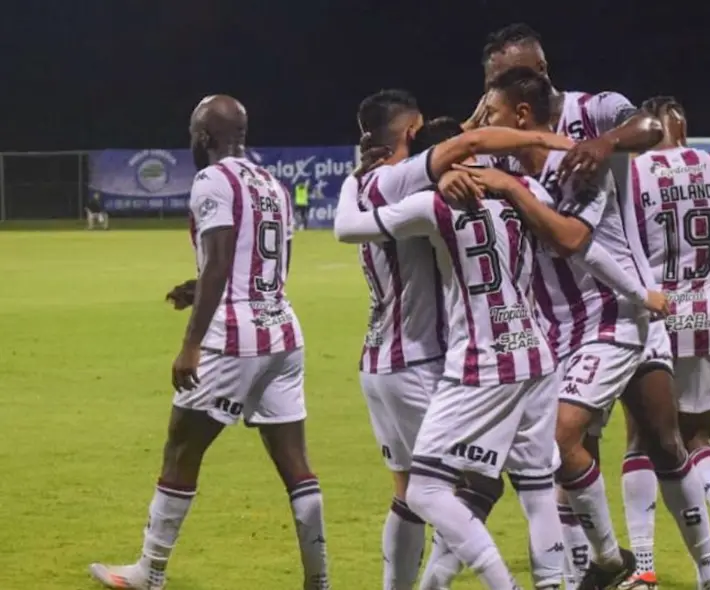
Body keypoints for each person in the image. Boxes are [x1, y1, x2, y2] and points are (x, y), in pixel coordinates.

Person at [415, 23, 670, 590]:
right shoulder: (498, 136)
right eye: (489, 86)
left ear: (534, 77)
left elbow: (648, 127)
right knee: (538, 462)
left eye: (500, 85)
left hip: (608, 309)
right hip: (540, 324)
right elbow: (446, 150)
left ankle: (614, 561)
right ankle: (584, 568)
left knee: (573, 439)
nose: (490, 100)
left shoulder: (593, 115)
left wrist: (604, 143)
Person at [463, 67, 710, 590]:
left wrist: (513, 191)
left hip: (612, 318)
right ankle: (608, 563)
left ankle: (653, 567)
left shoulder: (579, 162)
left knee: (623, 441)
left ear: (521, 113)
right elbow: (454, 151)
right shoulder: (508, 162)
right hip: (556, 329)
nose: (483, 123)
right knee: (582, 447)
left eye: (491, 110)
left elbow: (572, 239)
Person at [345, 89, 585, 590]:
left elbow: (349, 229)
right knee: (532, 489)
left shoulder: (426, 203)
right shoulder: (523, 188)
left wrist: (353, 178)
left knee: (422, 493)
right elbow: (565, 238)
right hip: (533, 352)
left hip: (461, 360)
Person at [88, 95, 330, 590]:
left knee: (181, 447)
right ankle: (319, 580)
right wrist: (197, 288)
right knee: (295, 461)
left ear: (203, 138)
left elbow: (220, 259)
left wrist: (191, 344)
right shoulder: (274, 186)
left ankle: (149, 572)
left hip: (234, 339)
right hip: (283, 331)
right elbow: (268, 268)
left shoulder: (211, 180)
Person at [628, 96, 710, 590]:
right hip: (708, 316)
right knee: (699, 438)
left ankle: (643, 566)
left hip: (654, 321)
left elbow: (629, 247)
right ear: (684, 125)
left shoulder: (636, 173)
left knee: (643, 440)